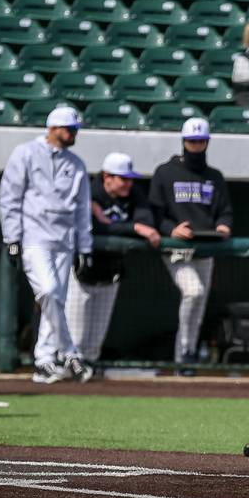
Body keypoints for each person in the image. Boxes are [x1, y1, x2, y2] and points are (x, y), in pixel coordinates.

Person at [0, 106, 93, 384]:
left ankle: (44, 361)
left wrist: (84, 247)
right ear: (53, 128)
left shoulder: (76, 164)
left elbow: (82, 210)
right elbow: (10, 197)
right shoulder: (25, 153)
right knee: (49, 293)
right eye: (69, 129)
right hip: (34, 238)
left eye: (76, 129)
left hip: (64, 241)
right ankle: (69, 353)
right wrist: (11, 237)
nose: (74, 134)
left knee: (56, 301)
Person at [149, 118, 234, 372]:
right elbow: (154, 212)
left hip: (206, 249)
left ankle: (185, 360)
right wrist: (170, 229)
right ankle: (185, 352)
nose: (196, 146)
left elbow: (225, 211)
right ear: (184, 142)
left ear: (207, 143)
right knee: (193, 292)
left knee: (198, 307)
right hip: (176, 248)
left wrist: (223, 225)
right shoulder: (165, 172)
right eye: (192, 141)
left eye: (200, 141)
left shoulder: (214, 176)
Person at [65, 152, 159, 367]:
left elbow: (147, 221)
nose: (129, 184)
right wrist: (132, 227)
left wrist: (116, 225)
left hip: (111, 271)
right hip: (82, 270)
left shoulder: (134, 193)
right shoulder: (89, 191)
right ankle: (67, 371)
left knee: (95, 339)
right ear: (107, 176)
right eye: (123, 179)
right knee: (76, 334)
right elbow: (90, 227)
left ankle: (87, 376)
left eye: (130, 179)